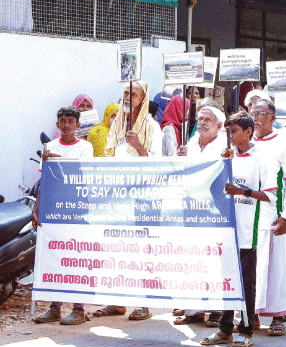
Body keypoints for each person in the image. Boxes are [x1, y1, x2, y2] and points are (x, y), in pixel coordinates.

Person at [200, 112, 277, 347]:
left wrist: (242, 192)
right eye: (228, 131)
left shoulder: (263, 158)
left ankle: (245, 330)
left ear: (248, 132)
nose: (230, 136)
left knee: (245, 281)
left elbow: (271, 195)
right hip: (227, 229)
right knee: (227, 280)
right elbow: (213, 188)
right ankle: (225, 329)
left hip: (248, 230)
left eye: (235, 131)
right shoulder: (226, 157)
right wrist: (222, 166)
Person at [100, 81, 162, 321]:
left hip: (144, 198)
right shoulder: (116, 125)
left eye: (133, 93)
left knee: (143, 251)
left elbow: (160, 164)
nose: (128, 96)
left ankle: (144, 303)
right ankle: (117, 301)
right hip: (118, 198)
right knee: (116, 248)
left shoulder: (152, 127)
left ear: (142, 98)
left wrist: (138, 145)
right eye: (126, 92)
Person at [32, 106, 93, 326]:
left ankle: (78, 309)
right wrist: (36, 208)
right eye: (62, 121)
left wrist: (59, 163)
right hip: (53, 208)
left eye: (70, 121)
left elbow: (82, 177)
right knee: (55, 256)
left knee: (76, 258)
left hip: (76, 208)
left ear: (77, 125)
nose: (66, 125)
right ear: (57, 124)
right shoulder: (49, 146)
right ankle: (55, 308)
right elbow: (44, 182)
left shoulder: (86, 147)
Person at [248, 99, 286, 337]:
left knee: (275, 266)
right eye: (252, 113)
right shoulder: (243, 142)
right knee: (250, 267)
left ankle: (278, 316)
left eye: (261, 113)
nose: (256, 117)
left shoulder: (283, 144)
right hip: (247, 215)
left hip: (272, 214)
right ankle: (252, 315)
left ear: (272, 116)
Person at [174, 105, 227, 327]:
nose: (203, 122)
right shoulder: (191, 144)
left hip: (214, 209)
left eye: (208, 119)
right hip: (191, 207)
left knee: (214, 259)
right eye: (200, 118)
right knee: (192, 257)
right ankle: (194, 308)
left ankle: (217, 311)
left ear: (219, 125)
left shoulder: (225, 145)